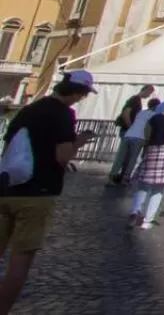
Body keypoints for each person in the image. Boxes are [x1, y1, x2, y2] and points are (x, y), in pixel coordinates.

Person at [0, 70, 95, 314]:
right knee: (20, 260)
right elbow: (62, 156)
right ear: (77, 93)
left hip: (6, 187)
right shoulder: (63, 114)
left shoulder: (29, 109)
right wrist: (79, 142)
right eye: (83, 95)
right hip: (37, 192)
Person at [127, 91, 164, 230]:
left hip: (152, 150)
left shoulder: (154, 118)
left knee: (143, 184)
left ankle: (135, 211)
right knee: (158, 188)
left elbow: (147, 135)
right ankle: (148, 220)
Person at [107, 83, 156, 186]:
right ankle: (125, 178)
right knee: (132, 159)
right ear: (145, 90)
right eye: (149, 92)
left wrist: (131, 129)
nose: (149, 95)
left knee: (121, 157)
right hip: (137, 136)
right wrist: (130, 126)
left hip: (128, 135)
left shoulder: (142, 111)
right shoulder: (135, 100)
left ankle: (112, 177)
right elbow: (126, 112)